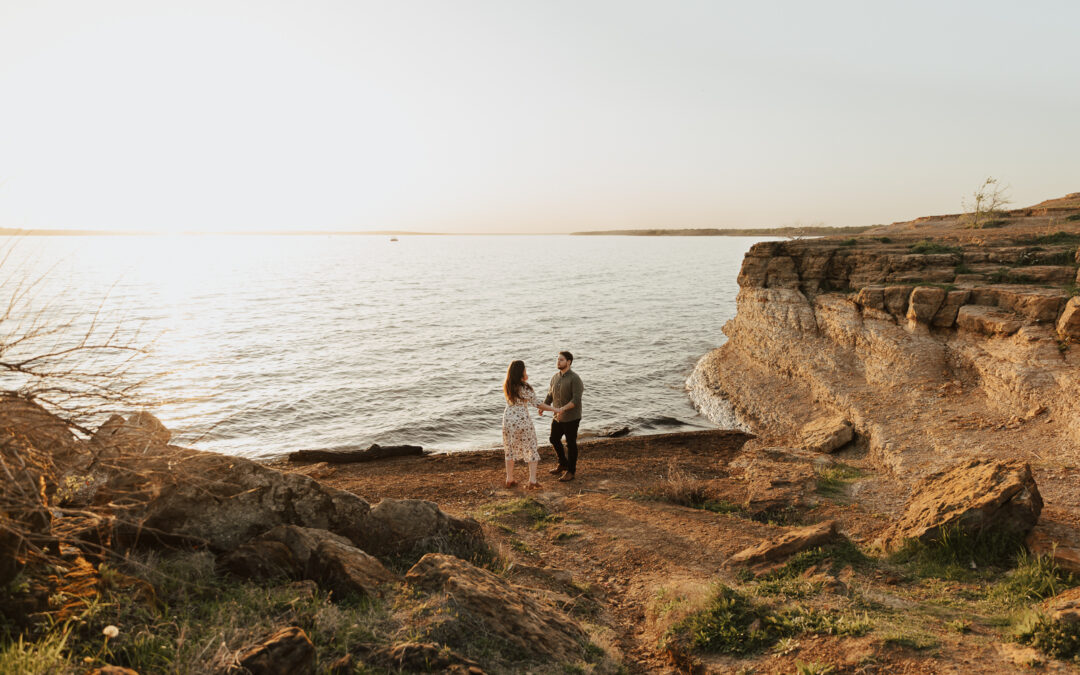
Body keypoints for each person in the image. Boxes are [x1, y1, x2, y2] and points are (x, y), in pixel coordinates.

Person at [502, 360, 559, 490]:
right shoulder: (524, 387)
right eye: (524, 369)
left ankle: (509, 479)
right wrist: (556, 409)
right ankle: (532, 480)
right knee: (531, 447)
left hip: (508, 419)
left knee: (509, 448)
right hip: (522, 420)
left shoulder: (507, 385)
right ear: (521, 371)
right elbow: (537, 403)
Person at [543, 350, 584, 482]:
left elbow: (576, 400)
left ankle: (571, 471)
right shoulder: (555, 377)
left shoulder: (575, 379)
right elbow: (550, 395)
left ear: (569, 362)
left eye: (561, 360)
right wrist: (544, 406)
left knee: (571, 444)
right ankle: (563, 463)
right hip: (557, 417)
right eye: (558, 359)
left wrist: (562, 409)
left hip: (572, 417)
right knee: (554, 439)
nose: (558, 361)